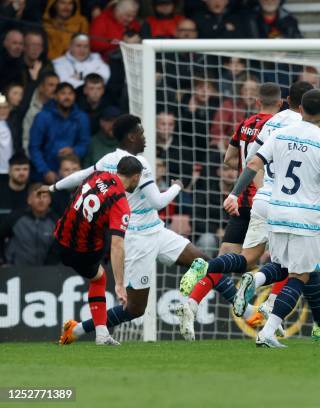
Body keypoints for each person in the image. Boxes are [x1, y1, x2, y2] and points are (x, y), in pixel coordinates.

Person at [44, 114, 252, 344]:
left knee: (202, 261)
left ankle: (246, 309)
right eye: (141, 133)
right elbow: (157, 202)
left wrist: (54, 187)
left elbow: (83, 174)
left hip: (156, 230)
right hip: (136, 239)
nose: (145, 138)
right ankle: (78, 329)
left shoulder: (108, 159)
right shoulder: (139, 164)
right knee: (135, 309)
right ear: (132, 136)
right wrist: (176, 187)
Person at [224, 89, 320, 347]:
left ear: (299, 109)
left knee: (282, 266)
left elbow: (252, 164)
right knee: (301, 275)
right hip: (304, 217)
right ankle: (267, 331)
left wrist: (234, 193)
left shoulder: (280, 134)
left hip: (275, 210)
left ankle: (257, 279)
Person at [176, 82, 289, 340]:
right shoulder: (281, 127)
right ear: (281, 103)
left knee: (227, 259)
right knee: (290, 261)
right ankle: (272, 311)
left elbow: (229, 159)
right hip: (269, 201)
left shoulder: (245, 124)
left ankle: (191, 303)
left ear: (257, 101)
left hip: (242, 203)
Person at [54, 156, 142, 345]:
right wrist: (120, 284)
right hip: (82, 250)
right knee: (100, 278)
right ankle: (101, 335)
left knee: (97, 273)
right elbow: (117, 245)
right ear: (135, 177)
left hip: (60, 237)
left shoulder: (98, 175)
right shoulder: (121, 203)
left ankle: (96, 332)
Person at [28, 82, 90, 184]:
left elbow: (85, 143)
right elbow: (34, 147)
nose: (67, 97)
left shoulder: (81, 117)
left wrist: (74, 150)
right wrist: (45, 171)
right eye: (63, 93)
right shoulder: (42, 117)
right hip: (45, 173)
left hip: (72, 172)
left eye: (70, 93)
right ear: (55, 96)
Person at [0, 182, 57, 266]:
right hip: (14, 271)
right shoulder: (15, 218)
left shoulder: (56, 221)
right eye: (37, 196)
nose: (41, 200)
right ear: (29, 200)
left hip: (46, 273)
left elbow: (58, 249)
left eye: (44, 196)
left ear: (50, 200)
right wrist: (2, 260)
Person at [21, 71, 59, 150]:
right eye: (51, 85)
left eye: (57, 86)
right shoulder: (26, 103)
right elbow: (25, 139)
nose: (55, 89)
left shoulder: (60, 106)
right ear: (41, 87)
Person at [0, 152, 30, 227]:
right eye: (17, 169)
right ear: (9, 171)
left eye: (25, 169)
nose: (22, 173)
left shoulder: (32, 194)